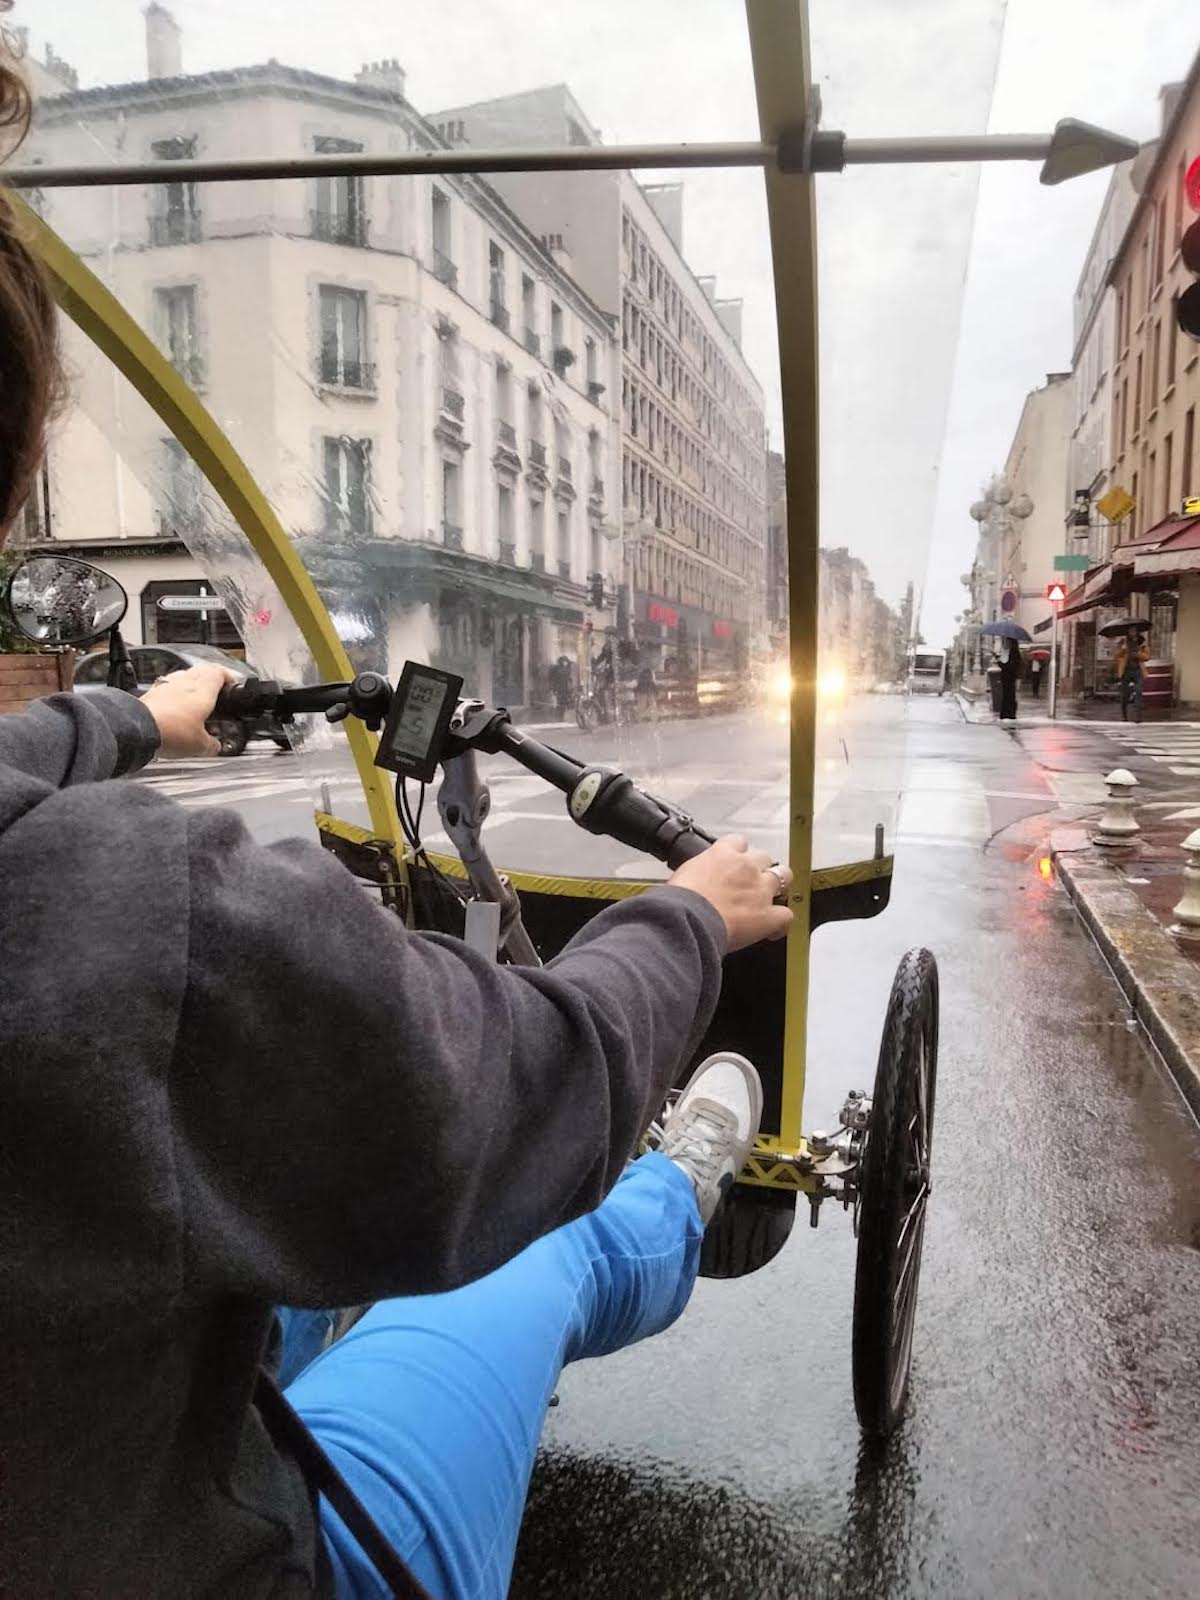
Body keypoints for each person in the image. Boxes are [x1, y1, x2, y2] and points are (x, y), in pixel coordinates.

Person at [0, 28, 794, 1599]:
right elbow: (502, 1103)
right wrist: (691, 915)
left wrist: (110, 718)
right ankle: (678, 1181)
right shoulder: (135, 920)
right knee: (511, 1256)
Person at [1115, 631, 1150, 723]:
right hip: (1125, 671)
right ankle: (1124, 715)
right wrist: (1123, 649)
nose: (1133, 633)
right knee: (1125, 694)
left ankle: (1138, 717)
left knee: (1138, 692)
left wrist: (1138, 654)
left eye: (1135, 631)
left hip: (1138, 670)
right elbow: (1116, 655)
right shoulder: (1123, 642)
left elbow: (1147, 656)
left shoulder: (1142, 642)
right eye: (1131, 631)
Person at [997, 637, 1020, 722]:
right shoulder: (1010, 651)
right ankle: (1006, 713)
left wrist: (1001, 664)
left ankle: (1009, 714)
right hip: (1007, 678)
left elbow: (1010, 666)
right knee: (1007, 696)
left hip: (1009, 678)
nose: (1005, 643)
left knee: (1009, 696)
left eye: (1006, 641)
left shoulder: (1014, 652)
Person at [547, 652, 573, 719]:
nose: (565, 663)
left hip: (564, 688)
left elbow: (569, 678)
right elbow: (551, 678)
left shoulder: (567, 668)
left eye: (566, 661)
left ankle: (561, 715)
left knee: (563, 702)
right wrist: (551, 687)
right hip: (559, 687)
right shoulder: (557, 668)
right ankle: (559, 715)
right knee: (560, 701)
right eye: (564, 661)